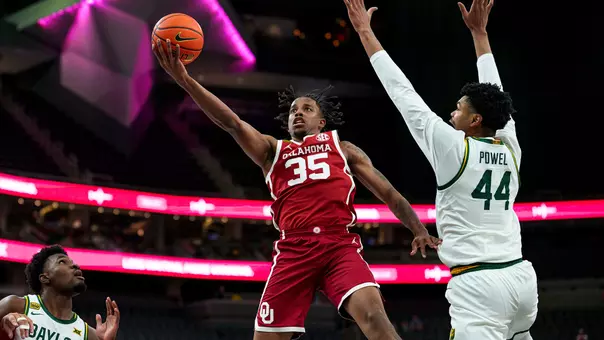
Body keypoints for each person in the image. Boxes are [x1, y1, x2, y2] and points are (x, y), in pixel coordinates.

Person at [153, 39, 440, 340]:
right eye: (293, 110)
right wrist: (185, 80)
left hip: (338, 246)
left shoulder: (343, 149)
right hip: (293, 251)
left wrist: (418, 228)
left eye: (307, 108)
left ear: (322, 121)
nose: (298, 113)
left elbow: (391, 194)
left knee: (375, 320)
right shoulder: (271, 150)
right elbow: (232, 123)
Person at [344, 0, 538, 339]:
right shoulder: (509, 144)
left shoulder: (453, 148)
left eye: (460, 109)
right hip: (521, 279)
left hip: (479, 285)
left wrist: (364, 32)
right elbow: (497, 92)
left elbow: (402, 92)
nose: (452, 113)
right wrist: (480, 34)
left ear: (475, 121)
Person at [0, 245, 120, 340]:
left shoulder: (89, 335)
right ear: (45, 278)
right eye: (62, 262)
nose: (75, 265)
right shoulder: (15, 306)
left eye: (73, 262)